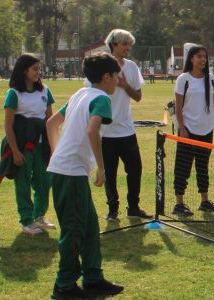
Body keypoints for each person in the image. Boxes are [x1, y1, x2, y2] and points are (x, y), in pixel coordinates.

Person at [44, 51, 127, 299]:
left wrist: (56, 154)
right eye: (116, 77)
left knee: (89, 227)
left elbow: (51, 124)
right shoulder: (101, 98)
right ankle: (64, 285)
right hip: (70, 174)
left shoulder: (80, 94)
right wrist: (100, 168)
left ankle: (93, 278)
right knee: (74, 230)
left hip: (66, 170)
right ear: (106, 77)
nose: (118, 82)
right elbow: (93, 130)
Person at [171, 43, 214, 217]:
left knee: (203, 166)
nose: (202, 59)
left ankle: (204, 201)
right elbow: (178, 106)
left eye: (204, 57)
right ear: (191, 59)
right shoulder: (183, 79)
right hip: (188, 131)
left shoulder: (211, 78)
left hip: (206, 130)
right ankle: (179, 204)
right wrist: (182, 129)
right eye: (199, 56)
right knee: (183, 167)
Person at [97, 29, 151, 221]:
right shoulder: (100, 65)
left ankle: (134, 207)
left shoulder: (131, 67)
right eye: (125, 44)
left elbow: (138, 97)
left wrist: (125, 85)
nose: (128, 48)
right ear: (114, 44)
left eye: (130, 44)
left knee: (135, 169)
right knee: (109, 174)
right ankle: (112, 209)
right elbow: (91, 93)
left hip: (127, 130)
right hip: (106, 132)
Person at [3, 53, 56, 235]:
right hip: (23, 147)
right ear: (24, 70)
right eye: (35, 69)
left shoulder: (45, 91)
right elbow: (8, 127)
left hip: (42, 146)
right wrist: (15, 151)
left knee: (44, 182)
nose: (38, 72)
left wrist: (53, 147)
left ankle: (39, 216)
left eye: (39, 68)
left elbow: (50, 121)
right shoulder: (14, 93)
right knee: (23, 183)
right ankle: (26, 220)